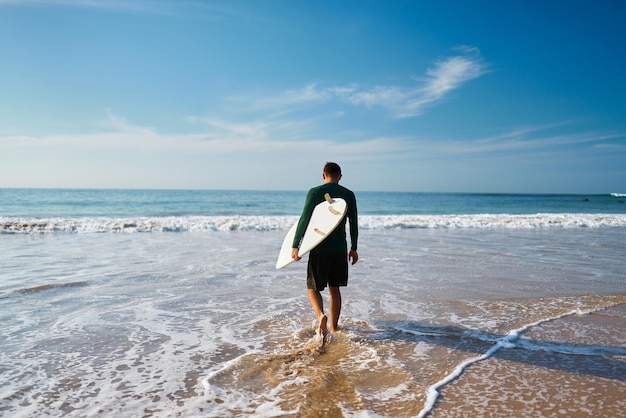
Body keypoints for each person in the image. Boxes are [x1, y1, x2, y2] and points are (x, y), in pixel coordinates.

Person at [291, 162, 358, 342]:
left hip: (319, 247)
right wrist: (354, 248)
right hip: (339, 249)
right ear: (340, 176)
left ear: (323, 175)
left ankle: (321, 315)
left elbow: (304, 219)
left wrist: (296, 244)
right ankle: (334, 327)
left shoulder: (314, 192)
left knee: (312, 288)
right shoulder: (349, 195)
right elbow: (353, 223)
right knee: (334, 290)